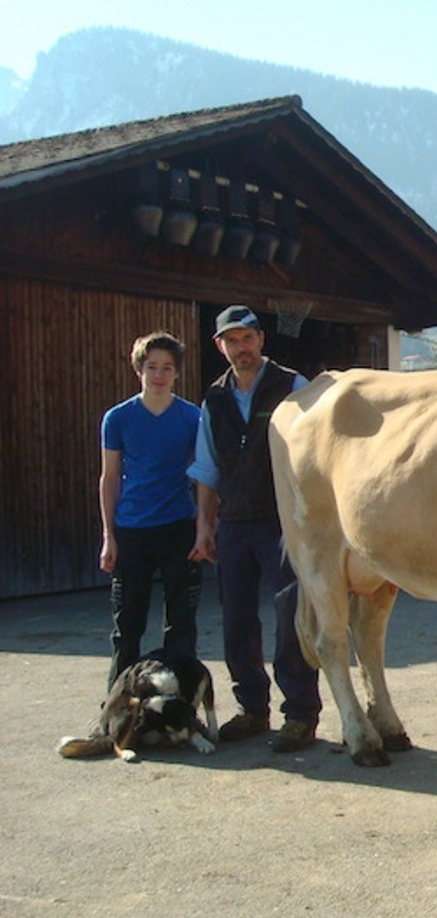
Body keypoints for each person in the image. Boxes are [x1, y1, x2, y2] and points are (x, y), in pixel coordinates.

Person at [188, 305, 320, 752]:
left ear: (261, 339)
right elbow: (206, 468)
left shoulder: (294, 387)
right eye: (231, 341)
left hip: (282, 521)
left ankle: (301, 714)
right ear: (219, 346)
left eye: (247, 338)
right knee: (236, 619)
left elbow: (316, 456)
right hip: (235, 523)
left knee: (291, 617)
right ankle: (252, 709)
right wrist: (205, 527)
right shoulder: (215, 398)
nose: (240, 348)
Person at [99, 331, 203, 692]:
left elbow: (206, 476)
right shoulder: (118, 418)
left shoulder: (192, 418)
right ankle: (116, 706)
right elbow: (110, 477)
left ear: (177, 373)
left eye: (167, 368)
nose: (159, 375)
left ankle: (182, 701)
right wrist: (109, 537)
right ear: (139, 370)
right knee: (127, 623)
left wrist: (205, 528)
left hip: (178, 527)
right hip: (132, 529)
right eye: (152, 367)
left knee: (181, 623)